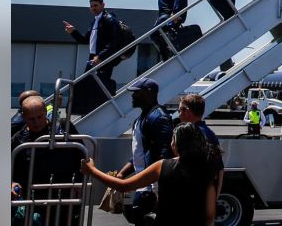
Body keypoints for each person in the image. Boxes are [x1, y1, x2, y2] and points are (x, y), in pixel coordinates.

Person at [82, 122, 217, 226]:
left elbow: (124, 186)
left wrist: (92, 170)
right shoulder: (207, 168)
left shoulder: (163, 166)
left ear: (176, 144)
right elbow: (210, 215)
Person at [11, 94, 81, 226]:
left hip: (63, 195)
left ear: (45, 112)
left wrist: (79, 180)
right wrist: (11, 183)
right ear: (24, 117)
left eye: (39, 117)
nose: (36, 122)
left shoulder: (63, 128)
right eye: (31, 119)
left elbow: (82, 155)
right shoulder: (19, 138)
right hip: (32, 198)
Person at [114, 78, 173, 223]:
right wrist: (122, 174)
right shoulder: (141, 119)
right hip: (141, 184)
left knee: (141, 217)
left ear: (149, 93)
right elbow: (139, 153)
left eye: (136, 93)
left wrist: (158, 190)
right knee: (130, 214)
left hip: (151, 187)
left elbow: (164, 157)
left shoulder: (159, 118)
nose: (132, 96)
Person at [63, 0, 121, 85]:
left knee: (97, 86)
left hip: (103, 58)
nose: (93, 8)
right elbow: (85, 40)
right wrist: (73, 31)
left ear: (103, 5)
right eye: (91, 6)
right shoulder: (95, 21)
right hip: (93, 58)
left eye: (96, 5)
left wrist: (100, 57)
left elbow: (113, 42)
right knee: (85, 85)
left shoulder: (109, 20)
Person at [178, 94, 224, 195]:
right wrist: (215, 197)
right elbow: (219, 168)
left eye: (179, 110)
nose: (178, 115)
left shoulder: (190, 133)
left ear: (187, 111)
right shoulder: (210, 133)